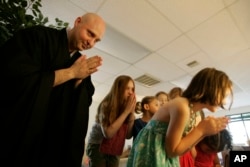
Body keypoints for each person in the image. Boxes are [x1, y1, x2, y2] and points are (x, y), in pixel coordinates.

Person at [0, 13, 106, 167]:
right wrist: (71, 73)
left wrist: (78, 82)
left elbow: (80, 107)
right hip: (17, 136)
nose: (91, 42)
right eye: (90, 34)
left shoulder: (80, 64)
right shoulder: (38, 37)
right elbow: (12, 78)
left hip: (50, 146)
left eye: (96, 40)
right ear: (77, 22)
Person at [127, 67, 233, 167]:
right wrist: (202, 130)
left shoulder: (196, 114)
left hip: (164, 155)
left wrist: (205, 131)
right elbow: (172, 151)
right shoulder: (182, 106)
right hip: (152, 151)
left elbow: (185, 147)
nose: (224, 101)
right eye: (224, 95)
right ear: (210, 89)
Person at [86, 75, 136, 167]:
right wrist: (126, 112)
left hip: (115, 147)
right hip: (98, 145)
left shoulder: (126, 108)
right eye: (127, 88)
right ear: (118, 89)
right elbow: (108, 134)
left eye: (132, 89)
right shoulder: (106, 105)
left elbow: (128, 136)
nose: (130, 92)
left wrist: (131, 114)